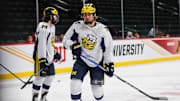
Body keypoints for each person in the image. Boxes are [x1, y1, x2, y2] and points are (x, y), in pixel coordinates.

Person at [63, 3, 114, 101]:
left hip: (97, 62)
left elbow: (108, 48)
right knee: (74, 84)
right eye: (84, 14)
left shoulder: (103, 30)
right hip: (82, 60)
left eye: (89, 14)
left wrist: (109, 64)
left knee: (97, 91)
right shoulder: (77, 26)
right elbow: (65, 40)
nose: (86, 17)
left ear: (95, 16)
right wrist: (72, 45)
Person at [32, 7, 61, 101]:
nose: (56, 18)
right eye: (55, 16)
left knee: (50, 76)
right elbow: (41, 45)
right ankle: (35, 97)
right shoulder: (43, 27)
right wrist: (42, 59)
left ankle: (43, 97)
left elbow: (49, 43)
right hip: (41, 57)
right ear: (49, 16)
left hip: (49, 58)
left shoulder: (52, 27)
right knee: (40, 78)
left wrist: (55, 53)